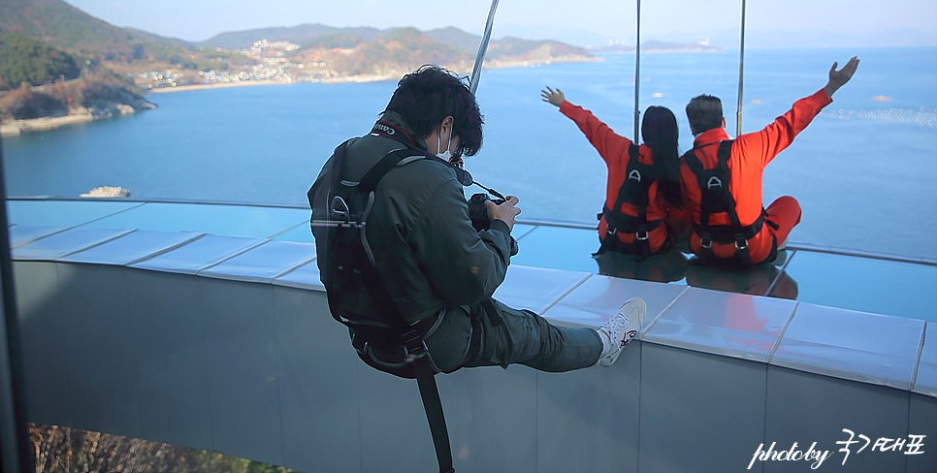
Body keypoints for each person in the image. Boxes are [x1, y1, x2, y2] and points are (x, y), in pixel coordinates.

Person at [308, 65, 645, 378]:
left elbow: (387, 225)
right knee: (533, 333)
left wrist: (465, 215)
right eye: (456, 148)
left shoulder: (340, 158)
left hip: (367, 334)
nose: (452, 157)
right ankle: (607, 343)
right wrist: (500, 228)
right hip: (423, 340)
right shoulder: (429, 176)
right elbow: (476, 282)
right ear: (445, 126)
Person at [680, 56, 860, 265]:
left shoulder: (685, 164)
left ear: (692, 127)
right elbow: (793, 121)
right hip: (754, 250)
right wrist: (832, 86)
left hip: (705, 250)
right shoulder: (749, 148)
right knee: (789, 204)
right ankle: (775, 254)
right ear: (723, 122)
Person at [541, 87, 688, 259]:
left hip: (611, 235)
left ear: (644, 130)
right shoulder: (676, 167)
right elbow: (680, 216)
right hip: (650, 243)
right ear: (673, 133)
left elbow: (592, 125)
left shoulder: (620, 150)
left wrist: (563, 103)